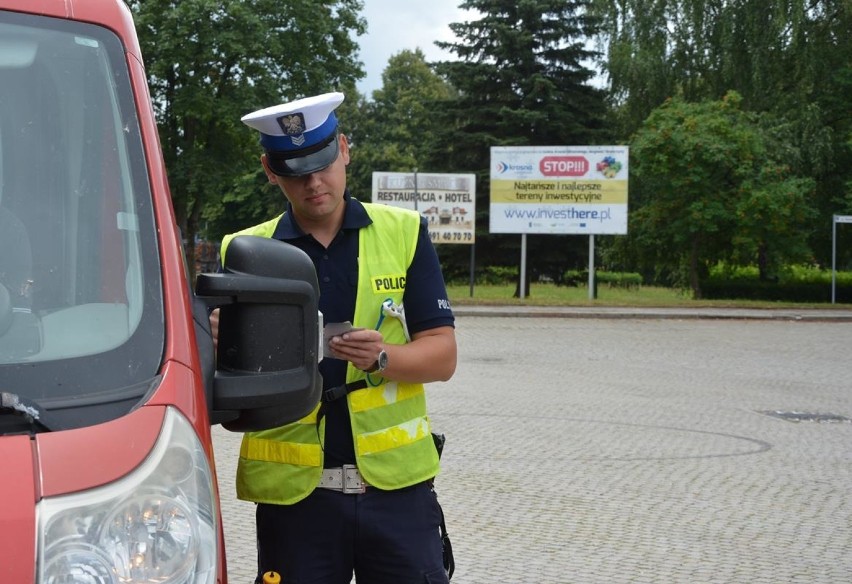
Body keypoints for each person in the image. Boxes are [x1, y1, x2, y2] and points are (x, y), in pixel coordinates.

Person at [217, 92, 457, 584]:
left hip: (397, 494)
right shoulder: (246, 251)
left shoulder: (405, 231)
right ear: (269, 169)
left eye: (323, 163)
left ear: (344, 149)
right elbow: (222, 378)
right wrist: (216, 342)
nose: (313, 182)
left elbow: (443, 355)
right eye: (294, 170)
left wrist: (384, 357)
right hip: (295, 499)